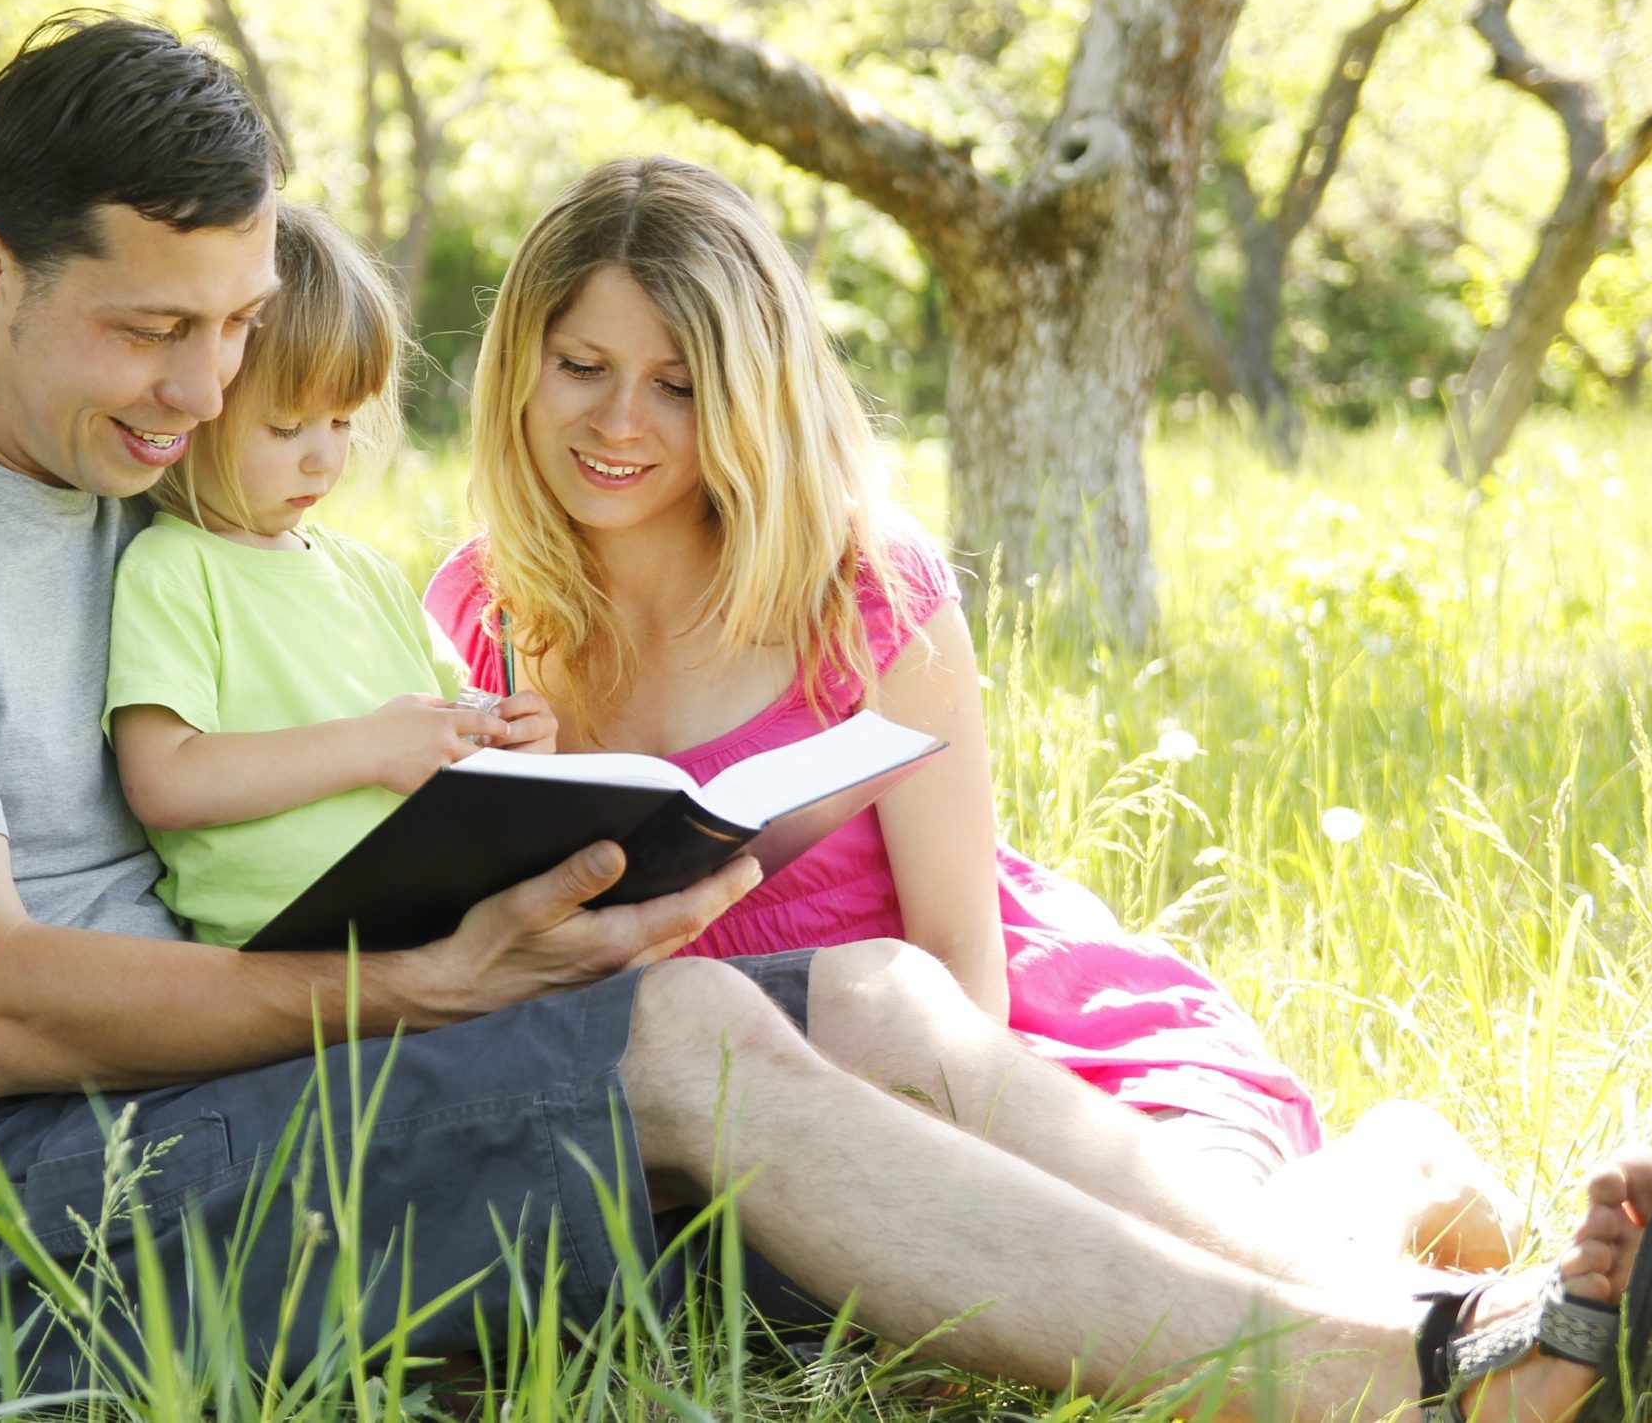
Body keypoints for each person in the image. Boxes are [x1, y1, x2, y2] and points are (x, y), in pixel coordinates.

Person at [0, 11, 1652, 1417]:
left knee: (863, 991)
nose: (195, 389)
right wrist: (428, 983)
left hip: (193, 1109)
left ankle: (1422, 1316)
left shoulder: (127, 474)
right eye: (150, 330)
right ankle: (1375, 1384)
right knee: (679, 1034)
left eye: (232, 326)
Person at [425, 155, 1522, 1271]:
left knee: (1213, 1290)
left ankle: (1401, 1165)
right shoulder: (476, 614)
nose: (619, 421)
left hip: (1018, 1071)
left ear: (748, 394)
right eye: (582, 366)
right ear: (523, 362)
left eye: (678, 385)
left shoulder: (862, 592)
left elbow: (961, 965)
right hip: (720, 1114)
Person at [105, 201, 555, 948]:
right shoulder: (175, 568)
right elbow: (164, 779)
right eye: (286, 428)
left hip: (433, 928)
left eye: (342, 421)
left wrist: (508, 742)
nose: (324, 458)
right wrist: (368, 748)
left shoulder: (368, 575)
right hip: (291, 961)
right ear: (201, 402)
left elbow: (446, 731)